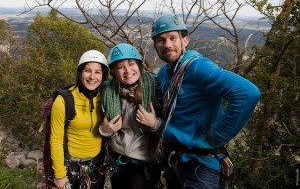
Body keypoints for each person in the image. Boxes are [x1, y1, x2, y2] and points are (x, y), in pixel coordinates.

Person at [151, 14, 261, 189]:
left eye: (173, 38)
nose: (167, 45)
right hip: (175, 157)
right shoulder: (164, 73)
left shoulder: (197, 67)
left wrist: (218, 136)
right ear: (155, 45)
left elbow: (247, 93)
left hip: (201, 164)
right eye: (161, 40)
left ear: (185, 40)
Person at [99, 43, 164, 189]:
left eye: (131, 64)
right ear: (114, 71)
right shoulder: (109, 92)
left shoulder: (155, 89)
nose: (127, 70)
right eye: (121, 67)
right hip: (116, 160)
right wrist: (105, 130)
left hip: (142, 164)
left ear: (139, 66)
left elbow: (171, 128)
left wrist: (155, 123)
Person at [50, 50, 109, 189]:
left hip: (96, 165)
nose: (92, 76)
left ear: (103, 76)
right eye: (87, 71)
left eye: (97, 72)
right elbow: (56, 140)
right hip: (71, 167)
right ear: (80, 73)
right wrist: (59, 175)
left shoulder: (105, 99)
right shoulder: (63, 101)